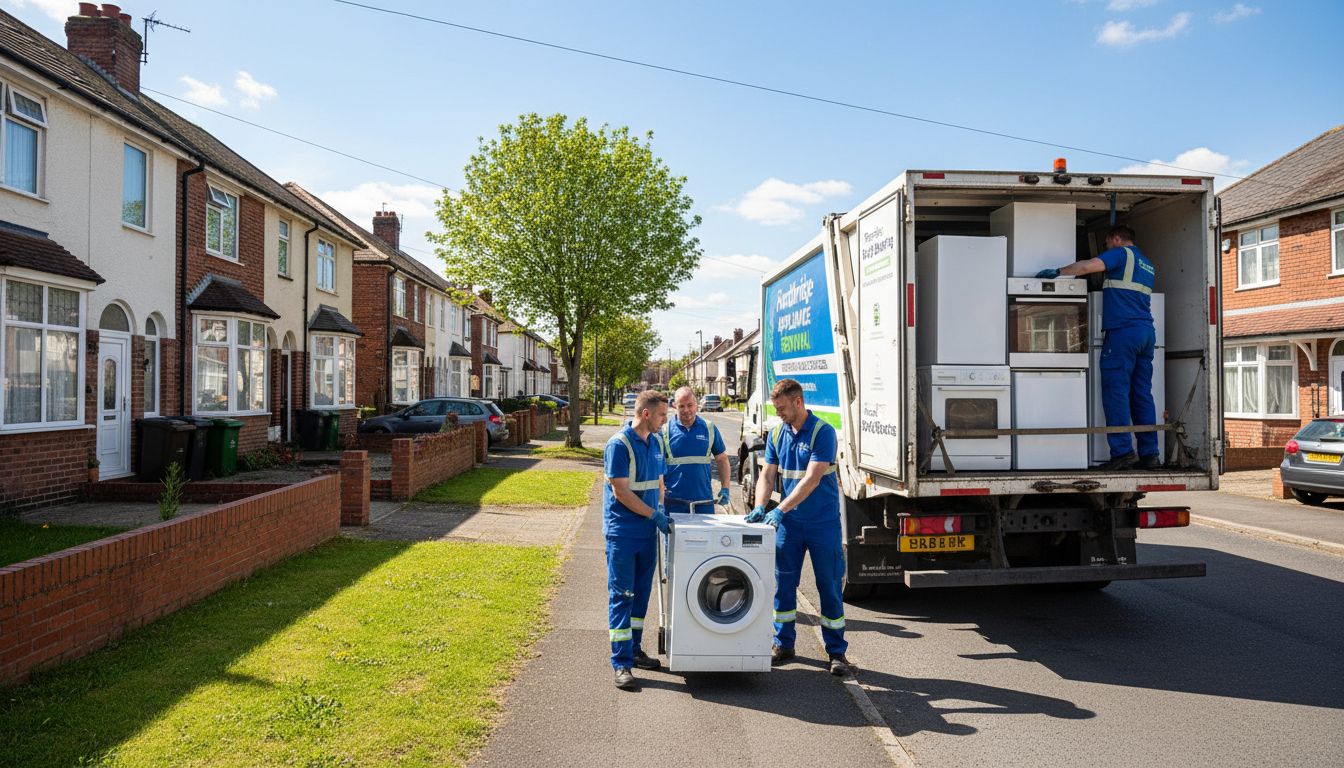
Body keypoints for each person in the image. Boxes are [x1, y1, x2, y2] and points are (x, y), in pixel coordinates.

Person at [745, 378, 854, 677]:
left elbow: (812, 479)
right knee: (784, 586)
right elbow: (767, 474)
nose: (778, 413)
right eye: (775, 408)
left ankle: (837, 653)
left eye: (782, 408)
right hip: (789, 525)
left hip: (822, 524)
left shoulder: (823, 433)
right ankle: (784, 643)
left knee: (829, 587)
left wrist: (778, 509)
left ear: (798, 401)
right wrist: (760, 504)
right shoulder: (778, 433)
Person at [1036, 223, 1158, 470]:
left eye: (1105, 246)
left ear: (1115, 239)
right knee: (1142, 395)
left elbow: (1088, 266)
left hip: (1123, 333)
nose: (1105, 250)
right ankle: (1150, 455)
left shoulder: (1121, 253)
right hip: (1146, 333)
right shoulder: (1147, 264)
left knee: (1116, 393)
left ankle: (1123, 453)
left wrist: (1059, 271)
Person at [603, 389, 670, 690]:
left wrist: (662, 509)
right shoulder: (618, 445)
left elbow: (658, 482)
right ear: (646, 414)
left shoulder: (656, 442)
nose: (664, 421)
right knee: (622, 597)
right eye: (661, 415)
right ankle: (621, 664)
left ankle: (635, 649)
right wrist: (653, 515)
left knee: (641, 594)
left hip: (646, 534)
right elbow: (621, 491)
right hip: (623, 533)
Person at [660, 387, 732, 514]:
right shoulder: (665, 431)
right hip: (673, 504)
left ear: (697, 405)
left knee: (705, 534)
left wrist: (725, 487)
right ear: (674, 406)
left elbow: (722, 459)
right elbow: (655, 466)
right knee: (675, 535)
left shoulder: (709, 428)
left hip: (703, 503)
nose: (686, 410)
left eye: (690, 405)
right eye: (681, 406)